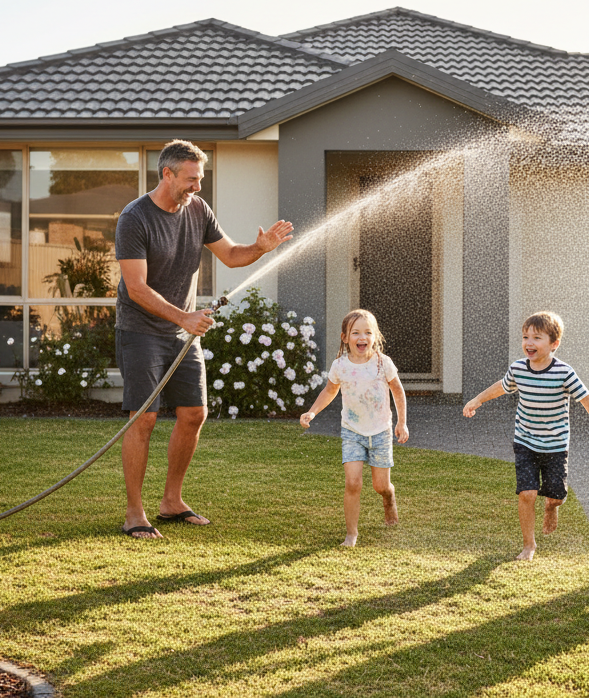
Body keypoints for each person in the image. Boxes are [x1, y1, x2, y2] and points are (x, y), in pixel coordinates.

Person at [115, 139, 293, 539]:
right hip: (141, 332)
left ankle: (171, 502)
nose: (197, 187)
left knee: (193, 413)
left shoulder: (198, 209)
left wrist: (260, 249)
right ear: (167, 174)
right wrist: (184, 316)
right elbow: (136, 288)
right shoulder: (135, 219)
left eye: (201, 179)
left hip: (183, 331)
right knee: (142, 419)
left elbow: (231, 255)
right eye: (191, 180)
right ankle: (134, 513)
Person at [463, 311, 589, 561]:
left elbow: (587, 399)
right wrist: (477, 399)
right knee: (527, 493)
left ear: (554, 344)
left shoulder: (564, 373)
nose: (529, 342)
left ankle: (552, 508)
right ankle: (529, 545)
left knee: (555, 496)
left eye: (537, 337)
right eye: (526, 336)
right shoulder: (518, 368)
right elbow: (501, 387)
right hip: (525, 441)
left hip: (556, 445)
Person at [300, 309, 409, 547]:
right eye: (356, 332)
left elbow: (398, 392)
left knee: (380, 485)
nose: (362, 337)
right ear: (344, 337)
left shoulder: (383, 363)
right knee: (353, 483)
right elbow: (330, 391)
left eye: (368, 332)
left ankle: (389, 497)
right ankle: (351, 534)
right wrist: (312, 411)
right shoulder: (340, 366)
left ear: (375, 336)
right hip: (352, 431)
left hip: (380, 431)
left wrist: (401, 422)